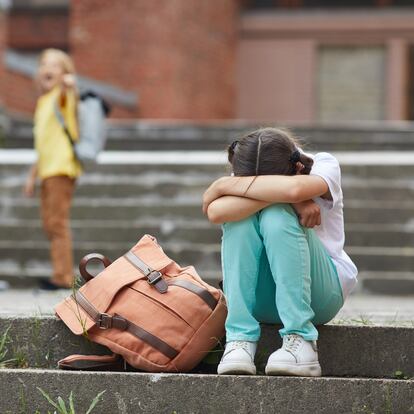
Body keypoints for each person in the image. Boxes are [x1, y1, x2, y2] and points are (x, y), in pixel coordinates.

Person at [203, 127, 358, 376]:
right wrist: (288, 197)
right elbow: (216, 212)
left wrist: (224, 186)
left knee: (276, 214)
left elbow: (294, 190)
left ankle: (301, 340)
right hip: (263, 300)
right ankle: (239, 340)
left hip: (321, 294)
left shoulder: (323, 165)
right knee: (238, 220)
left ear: (297, 169)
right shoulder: (249, 168)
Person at [24, 49, 81, 290]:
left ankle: (63, 277)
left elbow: (71, 93)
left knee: (57, 223)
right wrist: (32, 176)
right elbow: (43, 143)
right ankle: (60, 272)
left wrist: (70, 84)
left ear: (64, 72)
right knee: (49, 223)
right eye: (44, 64)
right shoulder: (43, 101)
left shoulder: (61, 96)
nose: (48, 69)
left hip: (61, 168)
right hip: (47, 170)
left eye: (55, 65)